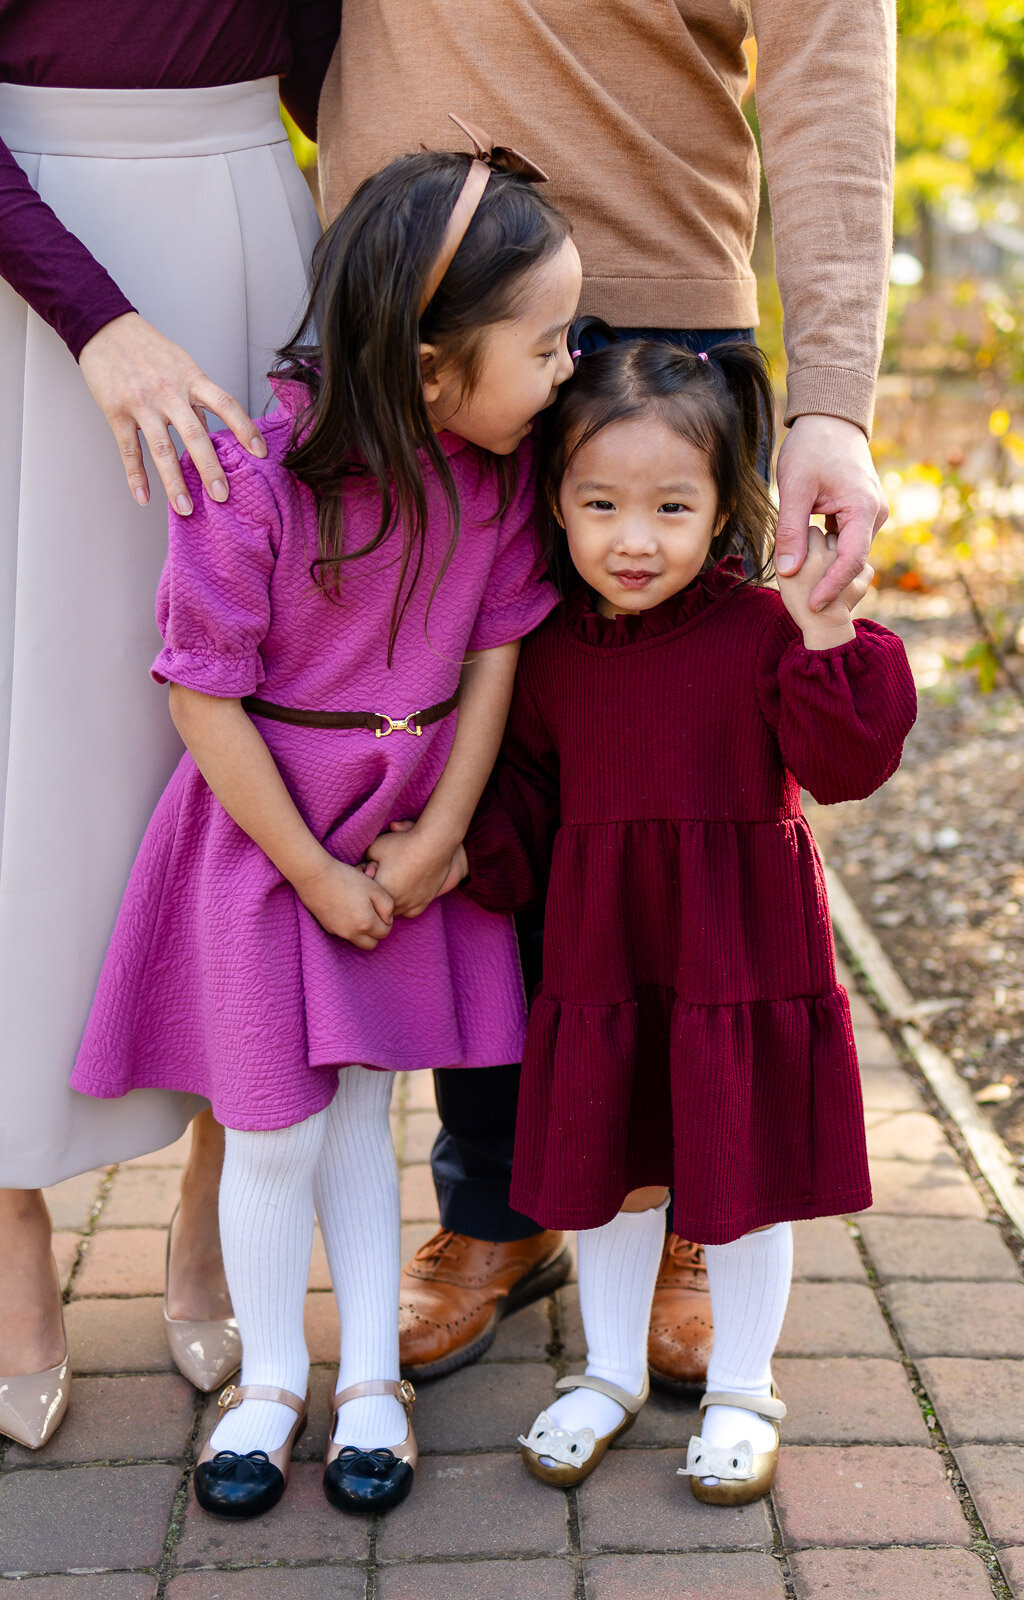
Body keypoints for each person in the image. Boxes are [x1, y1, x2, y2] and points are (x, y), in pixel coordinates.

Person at [315, 0, 896, 1386]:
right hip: (418, 317)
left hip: (657, 320)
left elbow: (829, 69)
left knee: (683, 807)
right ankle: (499, 1206)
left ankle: (697, 1205)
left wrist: (832, 400)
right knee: (486, 796)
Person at [70, 139, 583, 1518]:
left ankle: (366, 1382)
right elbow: (200, 693)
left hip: (403, 832)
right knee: (273, 1128)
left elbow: (492, 658)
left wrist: (440, 837)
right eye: (543, 345)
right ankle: (268, 1387)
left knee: (364, 1105)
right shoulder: (253, 474)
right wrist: (307, 868)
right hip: (265, 846)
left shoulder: (493, 480)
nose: (564, 373)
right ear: (429, 371)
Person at [456, 336, 917, 1502]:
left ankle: (742, 1386)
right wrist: (446, 841)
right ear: (554, 500)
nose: (632, 537)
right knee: (609, 1161)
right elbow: (520, 799)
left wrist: (822, 626)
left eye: (671, 504)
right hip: (604, 954)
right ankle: (608, 1370)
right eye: (599, 502)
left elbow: (846, 760)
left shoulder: (761, 630)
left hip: (736, 948)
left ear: (721, 507)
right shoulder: (551, 652)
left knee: (738, 1167)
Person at [0, 2, 340, 1451]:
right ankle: (12, 1235)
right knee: (34, 741)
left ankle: (215, 1199)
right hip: (29, 272)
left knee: (248, 722)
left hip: (254, 240)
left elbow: (344, 63)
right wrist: (99, 320)